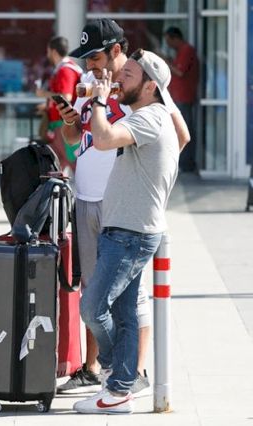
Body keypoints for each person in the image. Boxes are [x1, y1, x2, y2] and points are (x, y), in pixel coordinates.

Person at [56, 19, 190, 399]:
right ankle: (95, 368)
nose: (89, 65)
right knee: (93, 289)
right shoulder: (90, 85)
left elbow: (179, 137)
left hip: (125, 210)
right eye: (85, 58)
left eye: (95, 57)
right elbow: (75, 140)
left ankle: (135, 372)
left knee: (129, 297)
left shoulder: (142, 85)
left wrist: (150, 187)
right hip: (87, 196)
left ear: (117, 51)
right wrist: (69, 124)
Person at [34, 36, 83, 173]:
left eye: (48, 51)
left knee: (73, 164)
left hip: (64, 125)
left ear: (54, 51)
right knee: (55, 166)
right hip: (61, 124)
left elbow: (66, 97)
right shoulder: (67, 68)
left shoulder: (65, 70)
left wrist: (43, 94)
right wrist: (48, 107)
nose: (47, 55)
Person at [164, 26, 200, 172]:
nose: (168, 45)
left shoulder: (187, 50)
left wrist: (166, 62)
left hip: (183, 97)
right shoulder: (181, 51)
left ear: (175, 38)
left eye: (169, 41)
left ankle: (186, 164)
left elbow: (179, 71)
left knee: (183, 130)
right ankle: (184, 163)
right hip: (179, 96)